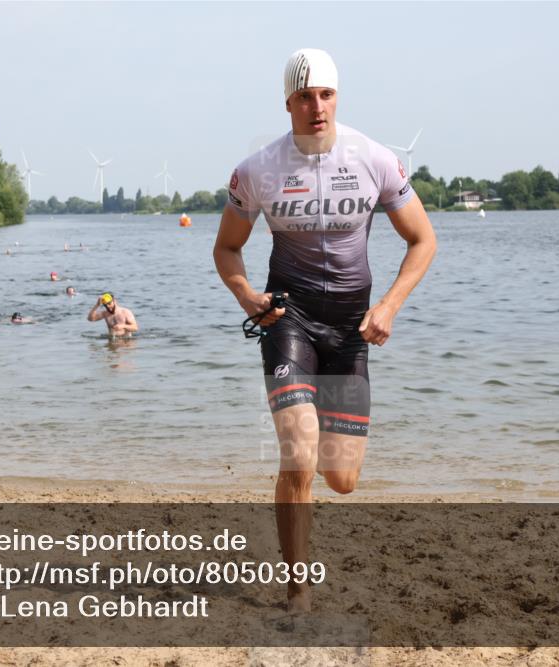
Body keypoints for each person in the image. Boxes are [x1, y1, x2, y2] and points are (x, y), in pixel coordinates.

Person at [212, 48, 436, 614]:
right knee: (299, 452)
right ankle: (299, 590)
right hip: (288, 319)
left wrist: (388, 307)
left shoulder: (375, 159)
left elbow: (423, 240)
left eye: (326, 95)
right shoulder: (257, 170)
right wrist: (247, 296)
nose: (317, 107)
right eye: (305, 97)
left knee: (341, 478)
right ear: (287, 102)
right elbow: (227, 249)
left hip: (351, 327)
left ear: (338, 98)